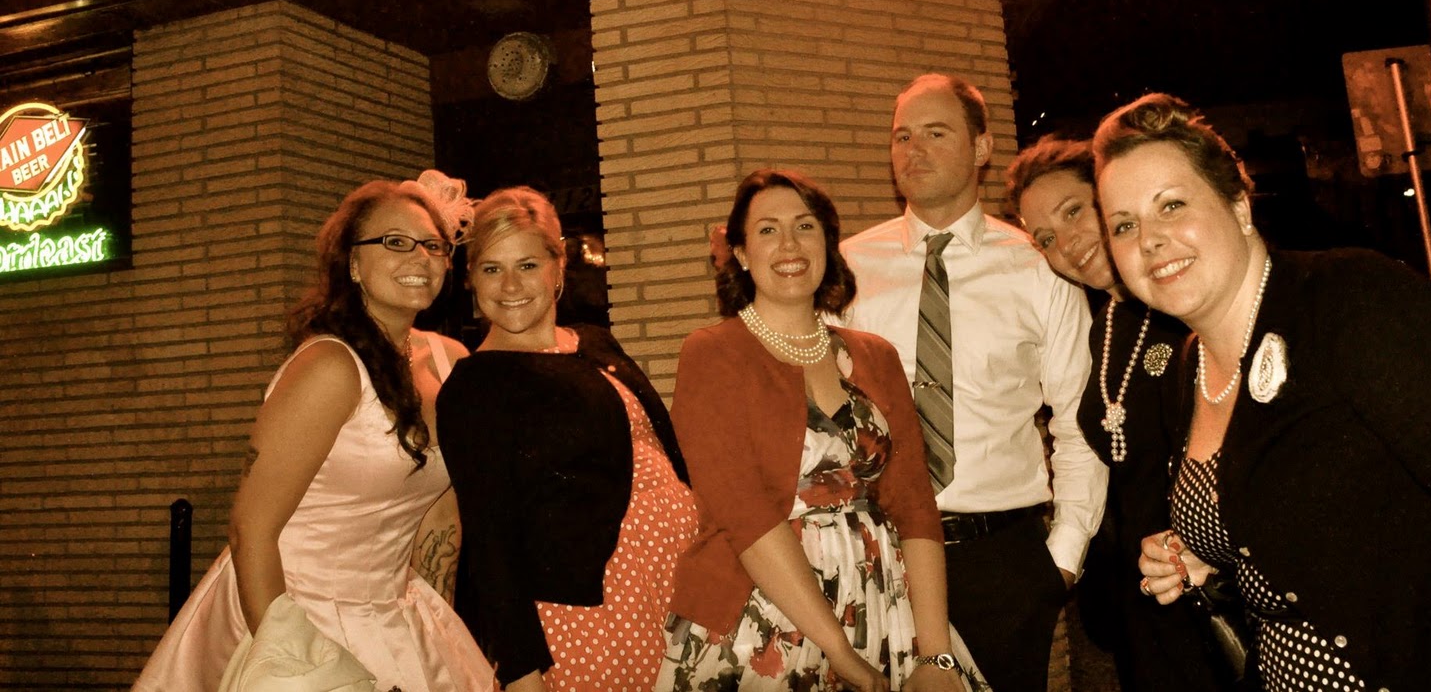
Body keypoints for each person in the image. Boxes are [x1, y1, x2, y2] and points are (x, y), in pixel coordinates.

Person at [1095, 92, 1431, 692]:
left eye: (1171, 205)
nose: (1149, 239)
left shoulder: (1353, 300)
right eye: (1124, 225)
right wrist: (1202, 555)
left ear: (1238, 205)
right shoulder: (1189, 368)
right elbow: (1303, 524)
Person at [135, 171, 494, 691]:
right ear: (352, 264)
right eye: (395, 242)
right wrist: (295, 665)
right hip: (295, 611)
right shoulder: (329, 366)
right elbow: (250, 529)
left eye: (432, 245)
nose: (419, 258)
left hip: (398, 611)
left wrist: (437, 632)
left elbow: (439, 516)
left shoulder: (448, 361)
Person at [660, 168, 987, 691]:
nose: (789, 244)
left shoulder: (875, 355)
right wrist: (838, 650)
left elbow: (914, 505)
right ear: (741, 253)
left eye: (805, 226)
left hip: (887, 607)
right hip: (761, 614)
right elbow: (744, 514)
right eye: (767, 230)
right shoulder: (713, 354)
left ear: (828, 245)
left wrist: (936, 655)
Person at [839, 74, 1106, 692]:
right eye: (902, 136)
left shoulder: (1039, 267)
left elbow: (1078, 421)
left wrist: (1062, 560)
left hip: (1001, 559)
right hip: (883, 554)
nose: (913, 151)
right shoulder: (849, 268)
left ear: (982, 147)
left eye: (936, 133)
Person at [436, 187, 696, 692]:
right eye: (491, 269)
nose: (510, 285)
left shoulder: (595, 342)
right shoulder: (476, 387)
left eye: (528, 265)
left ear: (558, 268)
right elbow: (491, 542)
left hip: (675, 587)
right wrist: (522, 674)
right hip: (590, 620)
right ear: (470, 279)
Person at [1006, 136, 1226, 692]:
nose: (1067, 243)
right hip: (1139, 600)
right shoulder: (1102, 324)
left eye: (1074, 212)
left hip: (1207, 584)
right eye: (1045, 238)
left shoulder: (1184, 308)